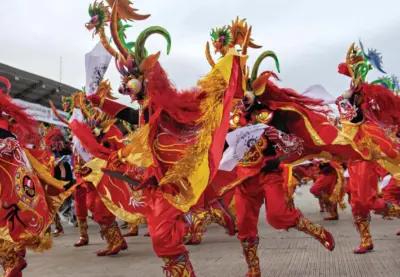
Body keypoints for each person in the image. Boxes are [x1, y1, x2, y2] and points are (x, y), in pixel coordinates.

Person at [336, 40, 400, 253]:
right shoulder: (348, 103)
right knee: (357, 203)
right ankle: (366, 240)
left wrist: (355, 96)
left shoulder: (367, 111)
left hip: (366, 158)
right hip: (352, 160)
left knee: (368, 201)